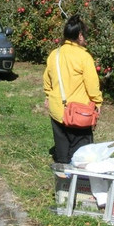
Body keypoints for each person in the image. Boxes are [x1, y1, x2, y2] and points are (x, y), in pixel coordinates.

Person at [43, 15, 103, 166]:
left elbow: (47, 79)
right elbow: (92, 85)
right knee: (81, 152)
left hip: (57, 109)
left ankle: (62, 178)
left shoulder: (54, 55)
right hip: (78, 112)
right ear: (80, 35)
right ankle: (78, 181)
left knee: (62, 147)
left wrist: (48, 96)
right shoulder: (84, 57)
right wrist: (97, 102)